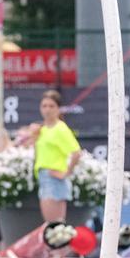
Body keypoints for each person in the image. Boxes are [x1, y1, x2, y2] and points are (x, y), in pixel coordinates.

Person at [34, 90, 81, 222]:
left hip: (53, 178)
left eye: (51, 106)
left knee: (55, 227)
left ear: (58, 109)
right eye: (44, 106)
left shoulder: (61, 129)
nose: (47, 110)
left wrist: (66, 172)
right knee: (52, 228)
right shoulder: (42, 129)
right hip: (44, 177)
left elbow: (76, 153)